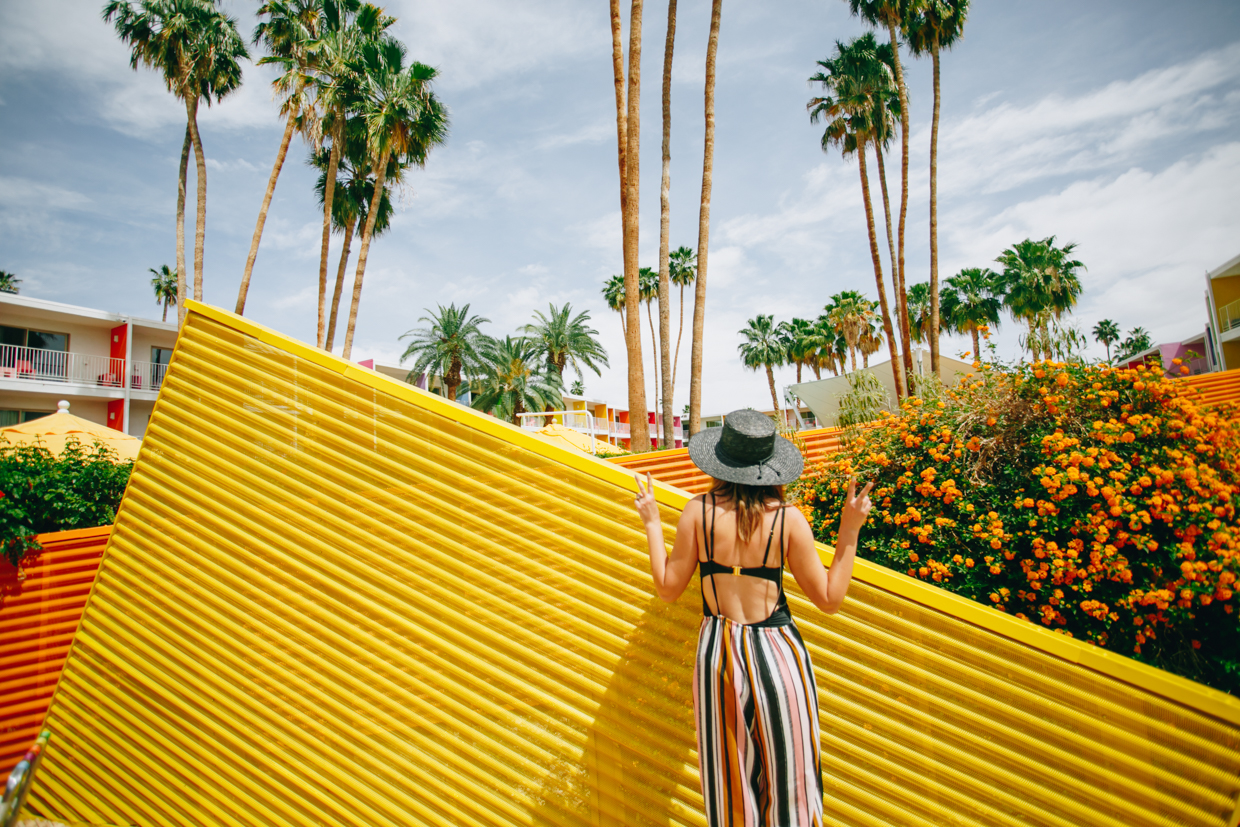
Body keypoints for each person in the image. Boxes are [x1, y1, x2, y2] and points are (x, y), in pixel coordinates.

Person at [631, 408, 873, 827]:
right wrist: (849, 528)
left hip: (717, 657)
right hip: (777, 655)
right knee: (792, 786)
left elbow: (668, 588)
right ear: (770, 467)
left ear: (720, 462)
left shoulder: (697, 511)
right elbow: (830, 599)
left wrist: (652, 521)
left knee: (729, 791)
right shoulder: (788, 520)